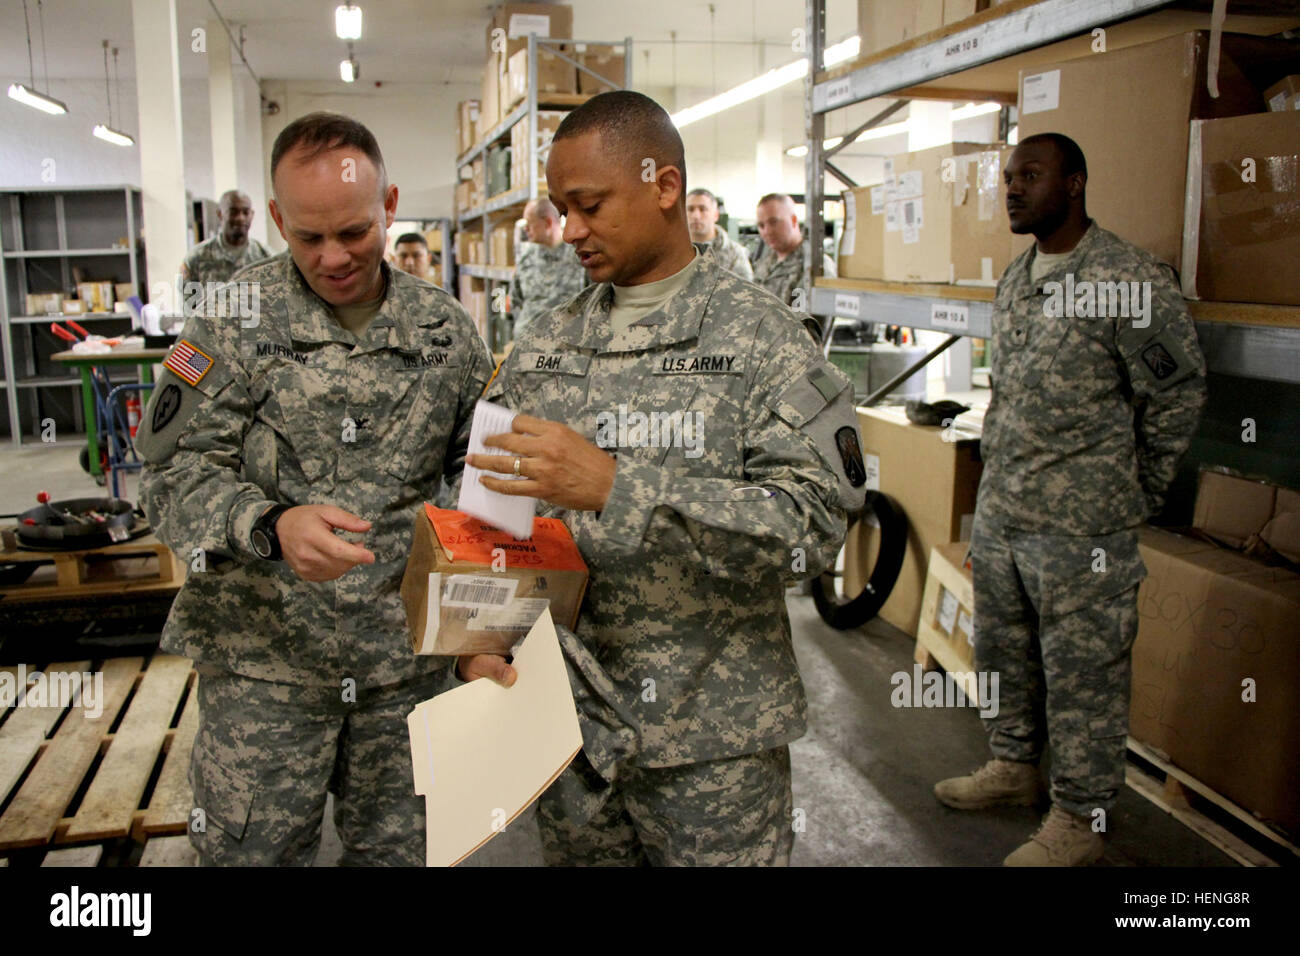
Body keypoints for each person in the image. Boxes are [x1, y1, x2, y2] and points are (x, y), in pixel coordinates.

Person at [458, 90, 866, 866]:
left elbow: (813, 528)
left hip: (712, 747)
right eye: (559, 209)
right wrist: (476, 644)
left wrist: (621, 489)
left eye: (589, 205)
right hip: (567, 731)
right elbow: (486, 515)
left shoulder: (762, 339)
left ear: (665, 187)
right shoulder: (544, 342)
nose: (570, 231)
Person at [137, 112, 493, 866]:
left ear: (390, 203)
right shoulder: (223, 329)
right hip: (266, 668)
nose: (333, 257)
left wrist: (482, 638)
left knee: (407, 856)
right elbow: (165, 480)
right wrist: (268, 524)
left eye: (355, 233)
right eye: (307, 238)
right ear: (274, 219)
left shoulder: (447, 334)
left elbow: (487, 494)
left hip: (403, 671)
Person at [933, 133, 1207, 866]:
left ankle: (1080, 820)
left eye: (1030, 175)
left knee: (1085, 676)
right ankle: (1014, 765)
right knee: (1003, 652)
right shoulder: (1018, 278)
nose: (1013, 190)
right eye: (1007, 178)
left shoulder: (1126, 279)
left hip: (1082, 528)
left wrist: (1131, 492)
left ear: (1076, 183)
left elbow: (1175, 395)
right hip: (1006, 515)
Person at [508, 197, 586, 340]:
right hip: (528, 347)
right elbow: (515, 301)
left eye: (530, 223)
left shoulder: (580, 258)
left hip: (567, 349)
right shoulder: (526, 259)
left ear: (548, 223)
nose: (526, 229)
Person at [180, 189, 271, 286]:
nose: (240, 218)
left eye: (245, 212)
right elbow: (188, 299)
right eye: (233, 212)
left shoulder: (266, 257)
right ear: (220, 214)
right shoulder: (196, 258)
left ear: (252, 215)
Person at [685, 188, 753, 280]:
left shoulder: (735, 253)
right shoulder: (674, 251)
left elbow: (746, 290)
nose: (696, 215)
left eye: (703, 209)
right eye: (690, 209)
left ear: (716, 215)